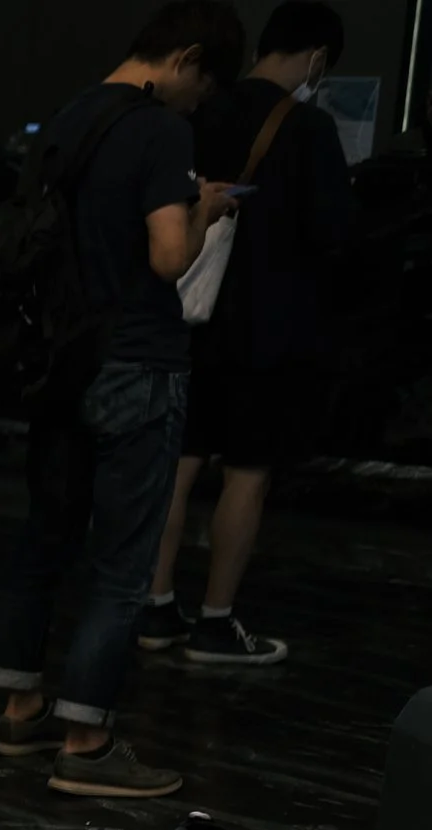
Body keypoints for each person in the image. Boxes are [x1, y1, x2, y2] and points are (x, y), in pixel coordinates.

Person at [0, 1, 245, 799]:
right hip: (137, 358)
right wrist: (205, 209)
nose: (197, 103)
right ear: (187, 59)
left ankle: (19, 709)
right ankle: (87, 741)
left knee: (45, 535)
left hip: (61, 360)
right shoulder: (159, 130)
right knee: (124, 559)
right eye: (204, 86)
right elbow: (167, 257)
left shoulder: (66, 120)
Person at [140, 2, 355, 665]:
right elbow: (334, 232)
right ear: (317, 58)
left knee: (177, 469)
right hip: (269, 331)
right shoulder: (310, 128)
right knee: (247, 476)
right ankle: (215, 622)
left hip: (190, 318)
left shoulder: (202, 110)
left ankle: (155, 607)